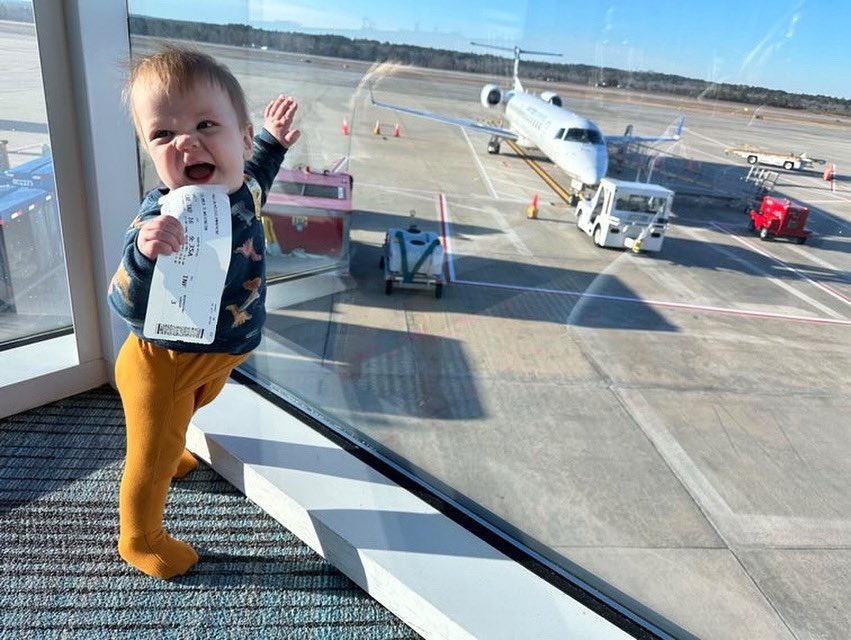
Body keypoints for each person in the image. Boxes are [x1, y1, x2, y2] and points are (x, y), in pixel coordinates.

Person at [108, 45, 300, 579]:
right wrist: (145, 252)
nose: (185, 141)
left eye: (206, 124)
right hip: (160, 362)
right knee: (147, 458)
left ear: (240, 138)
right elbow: (122, 301)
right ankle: (139, 539)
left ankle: (173, 450)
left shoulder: (246, 190)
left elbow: (257, 167)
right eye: (162, 135)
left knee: (189, 413)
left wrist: (273, 141)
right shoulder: (162, 216)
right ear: (149, 152)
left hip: (213, 358)